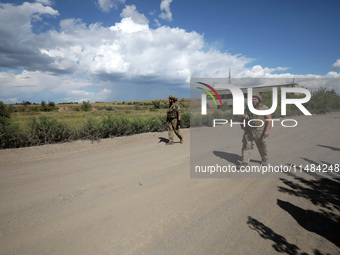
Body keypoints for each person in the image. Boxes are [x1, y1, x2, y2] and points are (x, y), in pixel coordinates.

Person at [238, 91, 272, 167]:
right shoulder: (247, 108)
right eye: (252, 99)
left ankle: (264, 159)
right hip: (249, 129)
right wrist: (243, 116)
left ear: (259, 100)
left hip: (260, 130)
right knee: (246, 145)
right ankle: (244, 162)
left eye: (255, 99)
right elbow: (239, 118)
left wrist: (267, 130)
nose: (254, 100)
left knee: (261, 146)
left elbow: (269, 119)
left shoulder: (264, 108)